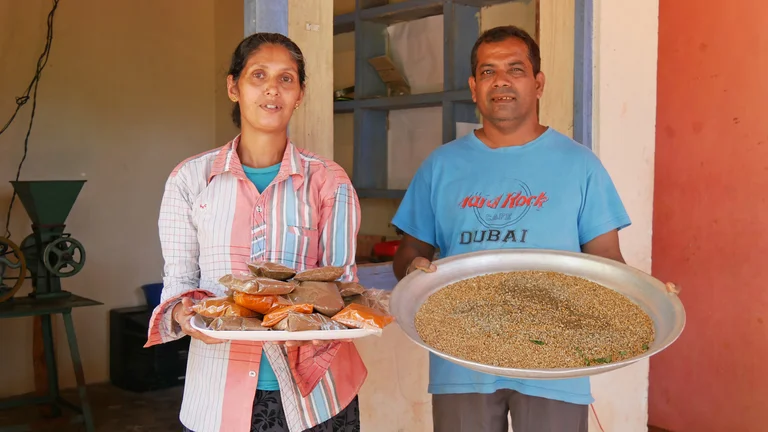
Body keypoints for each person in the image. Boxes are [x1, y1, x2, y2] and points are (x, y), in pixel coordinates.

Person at [391, 26, 631, 432]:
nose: (500, 81)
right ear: (473, 87)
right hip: (461, 354)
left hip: (556, 359)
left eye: (515, 69)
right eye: (488, 72)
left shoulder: (580, 164)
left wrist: (636, 301)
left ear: (537, 83)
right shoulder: (441, 165)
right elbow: (409, 256)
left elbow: (606, 260)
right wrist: (415, 272)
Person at [144, 33, 364, 432]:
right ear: (234, 86)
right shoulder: (190, 180)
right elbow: (178, 286)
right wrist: (185, 316)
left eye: (286, 78)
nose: (272, 89)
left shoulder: (328, 180)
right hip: (218, 396)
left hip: (316, 394)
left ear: (300, 94)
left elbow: (343, 287)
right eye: (258, 75)